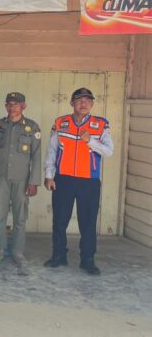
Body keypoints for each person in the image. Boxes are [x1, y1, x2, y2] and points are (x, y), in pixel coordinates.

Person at [44, 88, 113, 276]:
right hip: (63, 179)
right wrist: (49, 175)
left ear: (92, 104)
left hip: (89, 181)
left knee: (88, 223)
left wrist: (90, 141)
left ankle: (87, 260)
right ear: (72, 103)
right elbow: (52, 151)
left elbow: (108, 151)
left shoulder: (101, 124)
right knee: (60, 220)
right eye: (79, 100)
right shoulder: (61, 123)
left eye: (87, 100)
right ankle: (59, 255)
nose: (83, 103)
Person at [0, 92, 41, 275]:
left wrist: (34, 182)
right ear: (5, 106)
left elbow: (36, 156)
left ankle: (17, 252)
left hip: (22, 179)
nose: (12, 107)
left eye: (16, 104)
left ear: (23, 106)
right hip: (1, 178)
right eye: (9, 103)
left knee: (20, 217)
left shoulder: (32, 127)